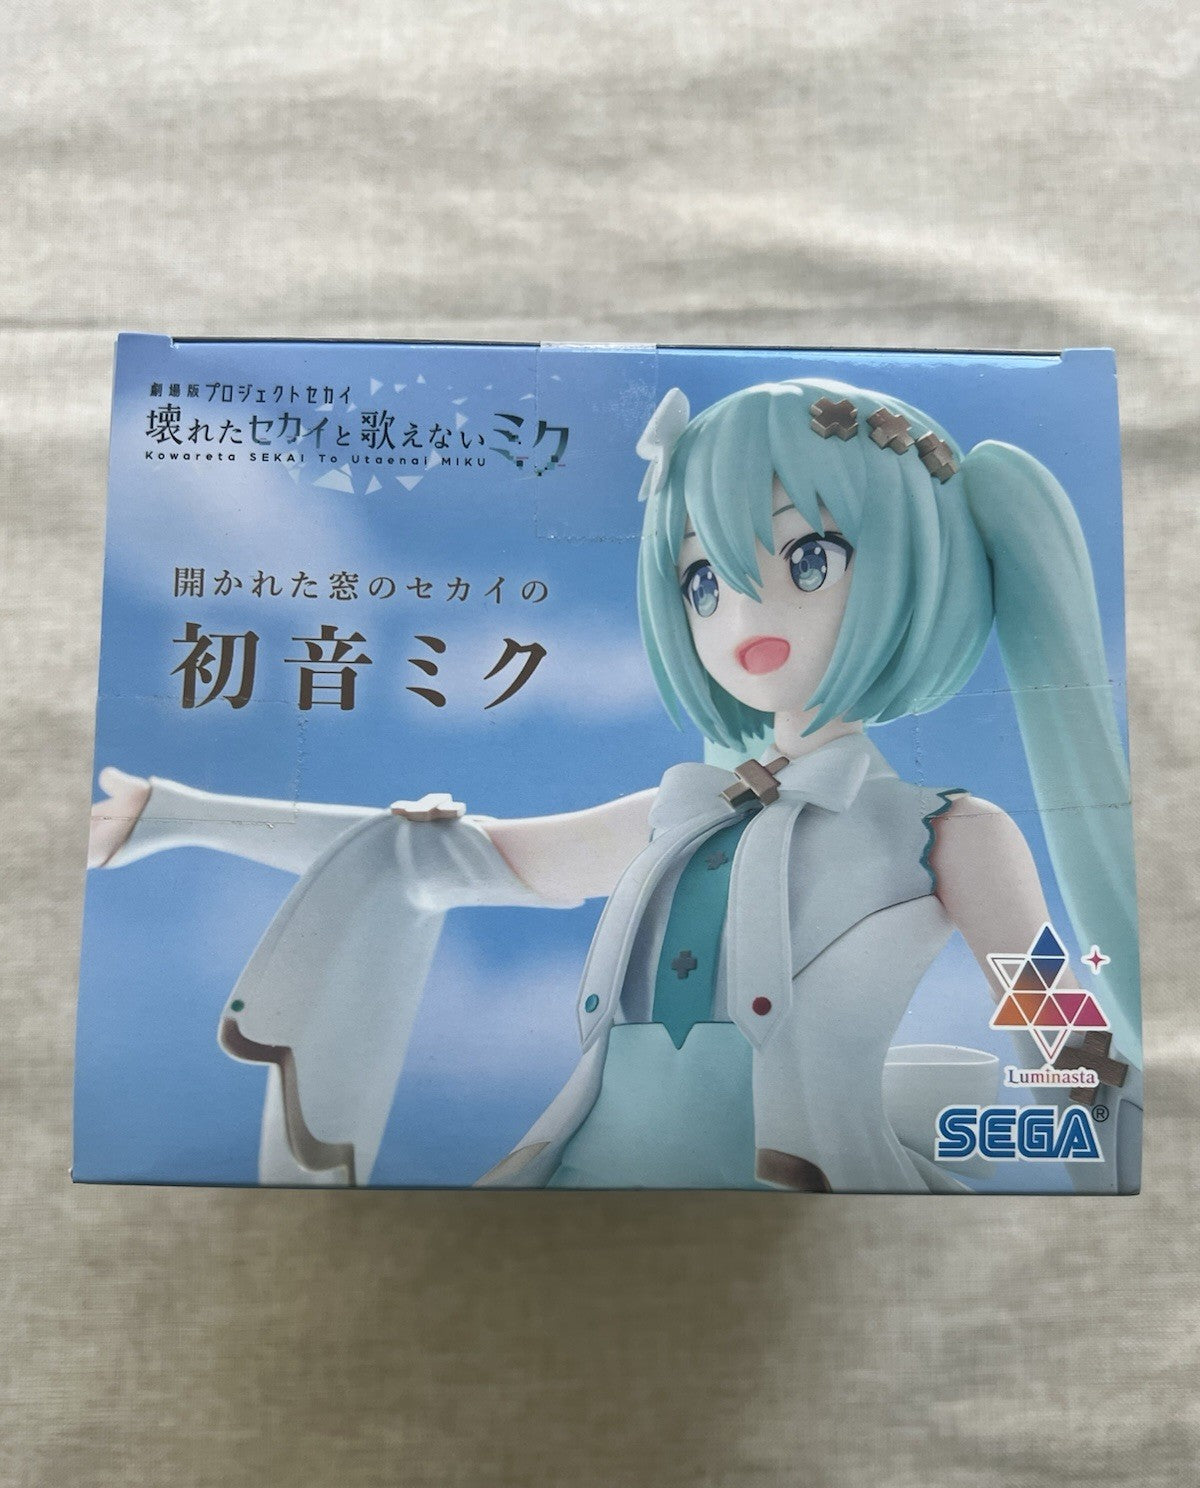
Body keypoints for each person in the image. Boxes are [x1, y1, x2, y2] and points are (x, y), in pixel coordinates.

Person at [89, 378, 1142, 1192]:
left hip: (804, 1196)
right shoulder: (683, 812)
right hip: (585, 1179)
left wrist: (1114, 1192)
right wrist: (179, 815)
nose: (743, 616)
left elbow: (1062, 1033)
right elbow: (444, 856)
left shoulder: (945, 831)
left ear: (922, 572)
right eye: (704, 580)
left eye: (808, 560)